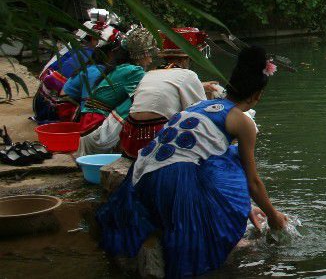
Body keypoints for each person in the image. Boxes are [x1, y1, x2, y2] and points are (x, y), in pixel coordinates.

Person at [97, 45, 288, 278]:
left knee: (222, 157)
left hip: (139, 181)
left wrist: (246, 207)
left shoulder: (199, 105)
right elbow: (253, 182)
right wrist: (274, 217)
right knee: (233, 158)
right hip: (172, 183)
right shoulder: (243, 122)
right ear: (258, 94)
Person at [119, 28, 219, 159]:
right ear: (186, 59)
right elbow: (200, 115)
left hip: (130, 140)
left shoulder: (150, 73)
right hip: (154, 141)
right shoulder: (188, 75)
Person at [62, 40, 144, 139]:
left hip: (84, 114)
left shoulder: (100, 68)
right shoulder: (96, 72)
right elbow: (87, 101)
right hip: (71, 113)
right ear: (110, 53)